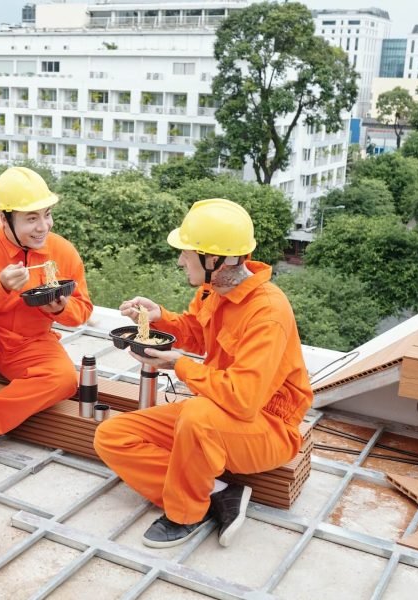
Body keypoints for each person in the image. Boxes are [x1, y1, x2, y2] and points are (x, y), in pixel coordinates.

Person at [94, 198, 312, 548]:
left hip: (267, 425)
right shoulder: (214, 290)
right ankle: (220, 491)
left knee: (196, 416)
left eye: (188, 251)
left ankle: (186, 513)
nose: (181, 259)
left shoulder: (267, 313)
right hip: (213, 411)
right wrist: (158, 317)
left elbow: (243, 400)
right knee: (112, 435)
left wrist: (176, 366)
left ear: (215, 260)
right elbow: (196, 333)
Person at [0, 166, 93, 495]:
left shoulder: (62, 252)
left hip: (32, 343)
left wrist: (61, 308)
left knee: (65, 379)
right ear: (6, 219)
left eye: (47, 215)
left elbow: (84, 309)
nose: (43, 227)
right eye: (32, 218)